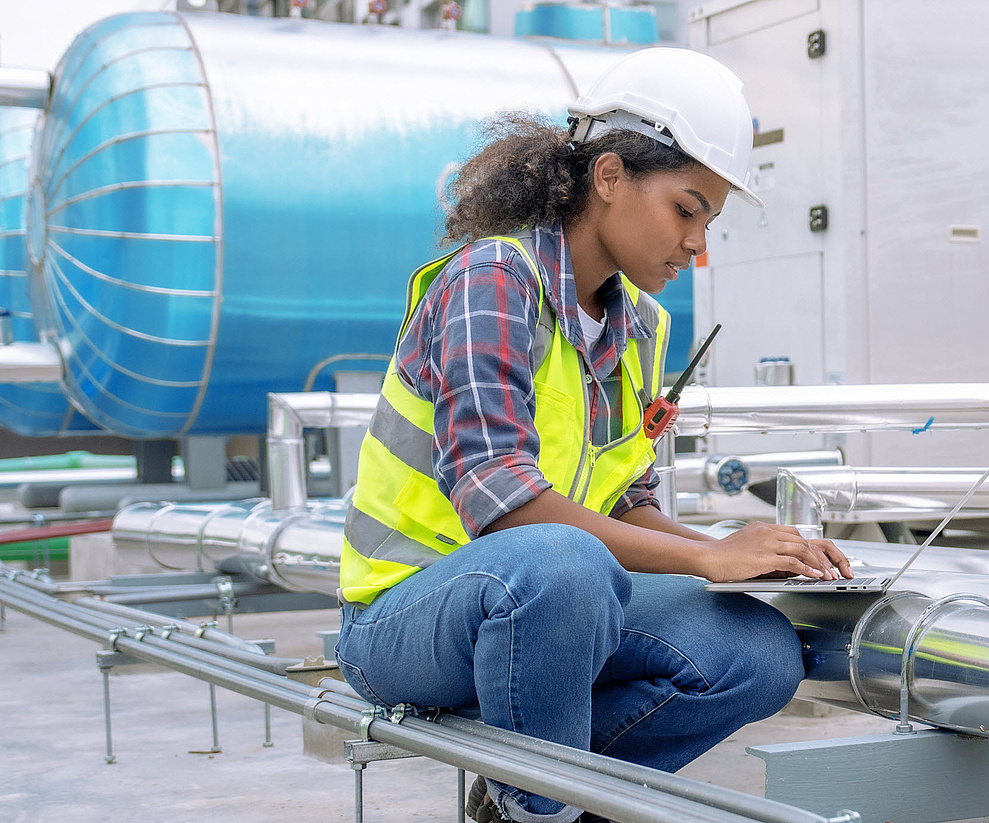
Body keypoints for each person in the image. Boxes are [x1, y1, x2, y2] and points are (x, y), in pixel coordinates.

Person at [331, 48, 853, 823]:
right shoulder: (493, 281)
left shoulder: (640, 325)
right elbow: (504, 502)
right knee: (562, 562)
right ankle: (543, 807)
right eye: (686, 208)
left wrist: (741, 559)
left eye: (708, 220)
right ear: (609, 177)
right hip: (407, 616)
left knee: (758, 651)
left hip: (551, 598)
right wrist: (704, 555)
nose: (696, 244)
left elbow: (625, 500)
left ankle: (527, 797)